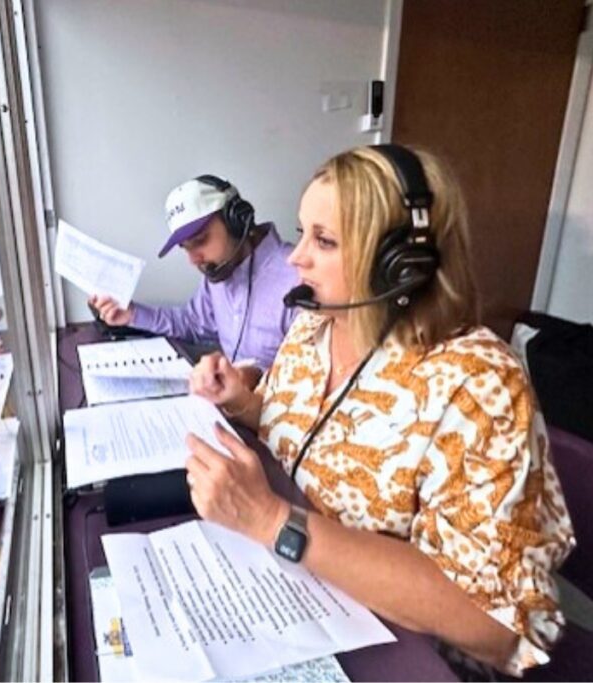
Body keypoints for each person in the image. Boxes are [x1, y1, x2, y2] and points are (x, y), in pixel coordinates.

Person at [184, 145, 574, 677]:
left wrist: (273, 521)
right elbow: (312, 439)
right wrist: (247, 404)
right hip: (303, 601)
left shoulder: (479, 383)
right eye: (303, 234)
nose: (296, 258)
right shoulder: (312, 328)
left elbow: (492, 624)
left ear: (402, 264)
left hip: (413, 655)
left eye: (324, 241)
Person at [90, 175, 299, 379]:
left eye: (200, 240)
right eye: (186, 248)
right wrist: (132, 314)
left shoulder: (299, 278)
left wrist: (251, 381)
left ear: (237, 220)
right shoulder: (218, 272)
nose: (194, 260)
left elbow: (311, 380)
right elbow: (192, 323)